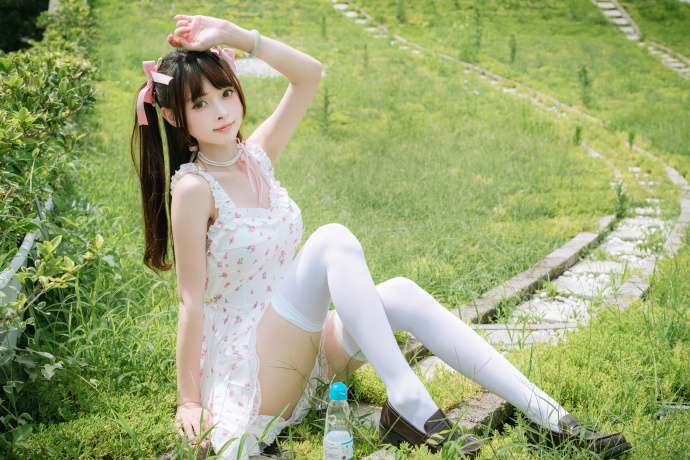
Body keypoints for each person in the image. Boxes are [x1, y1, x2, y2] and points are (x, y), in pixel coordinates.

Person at [129, 14, 633, 459]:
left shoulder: (257, 158)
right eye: (201, 103)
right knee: (331, 239)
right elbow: (190, 301)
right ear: (174, 117)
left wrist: (234, 34)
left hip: (304, 353)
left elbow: (310, 74)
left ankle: (549, 417)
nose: (222, 111)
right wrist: (189, 401)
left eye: (225, 93)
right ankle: (410, 399)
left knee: (401, 293)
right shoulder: (194, 189)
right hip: (253, 371)